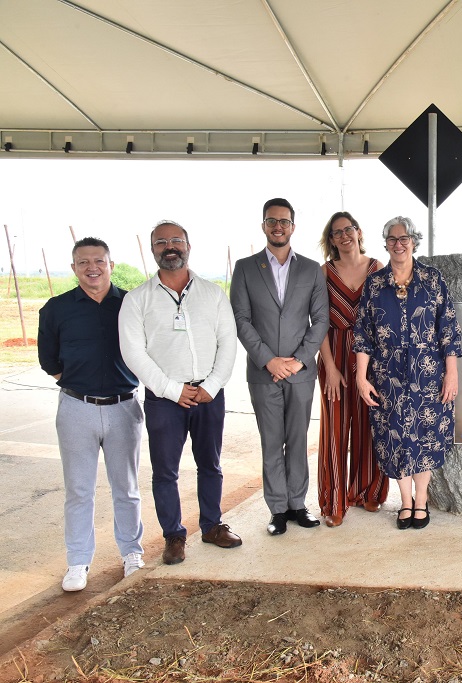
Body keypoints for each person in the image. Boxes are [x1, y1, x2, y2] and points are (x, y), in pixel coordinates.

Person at [119, 221, 241, 565]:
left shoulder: (212, 293)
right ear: (152, 249)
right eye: (161, 242)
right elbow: (133, 352)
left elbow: (227, 343)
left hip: (208, 395)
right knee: (165, 472)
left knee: (210, 465)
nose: (169, 246)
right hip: (164, 400)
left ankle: (213, 526)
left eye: (176, 240)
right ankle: (173, 536)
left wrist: (211, 386)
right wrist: (173, 390)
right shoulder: (137, 299)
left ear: (188, 246)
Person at [37, 238, 145, 591]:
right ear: (74, 268)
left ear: (110, 265)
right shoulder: (56, 309)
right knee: (79, 490)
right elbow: (49, 360)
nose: (91, 267)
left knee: (126, 488)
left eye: (99, 260)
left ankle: (131, 553)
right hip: (76, 408)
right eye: (83, 262)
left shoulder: (131, 303)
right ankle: (78, 562)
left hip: (124, 408)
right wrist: (78, 386)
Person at [353, 216, 462, 530]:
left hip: (428, 375)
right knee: (395, 437)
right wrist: (361, 378)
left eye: (404, 239)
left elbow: (449, 329)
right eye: (392, 239)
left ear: (414, 241)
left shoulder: (432, 279)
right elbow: (363, 334)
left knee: (425, 438)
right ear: (385, 243)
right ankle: (404, 501)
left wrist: (452, 373)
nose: (398, 244)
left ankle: (421, 499)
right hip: (387, 378)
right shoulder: (375, 284)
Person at [231, 198, 329, 536]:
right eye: (272, 221)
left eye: (284, 221)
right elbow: (241, 319)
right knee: (272, 443)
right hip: (263, 372)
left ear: (292, 227)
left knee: (297, 440)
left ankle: (298, 504)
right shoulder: (245, 268)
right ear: (263, 226)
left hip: (300, 372)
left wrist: (298, 360)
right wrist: (268, 360)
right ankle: (277, 510)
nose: (278, 226)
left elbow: (320, 321)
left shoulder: (311, 269)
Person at [316, 212, 388, 527]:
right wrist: (330, 367)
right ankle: (334, 501)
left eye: (349, 229)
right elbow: (317, 323)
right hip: (334, 354)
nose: (345, 236)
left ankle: (367, 491)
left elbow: (384, 320)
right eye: (337, 233)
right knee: (334, 429)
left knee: (368, 424)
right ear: (331, 240)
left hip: (370, 359)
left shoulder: (377, 269)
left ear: (358, 232)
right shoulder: (323, 272)